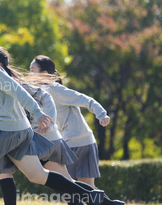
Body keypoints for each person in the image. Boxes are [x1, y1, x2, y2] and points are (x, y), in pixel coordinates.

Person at [0, 30, 104, 205]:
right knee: (38, 176)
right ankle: (94, 197)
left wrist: (37, 113)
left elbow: (16, 89)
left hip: (7, 129)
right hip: (16, 130)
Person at [29, 55, 125, 205]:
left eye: (32, 70)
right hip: (82, 141)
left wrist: (102, 114)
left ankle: (109, 204)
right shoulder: (39, 92)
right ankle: (110, 204)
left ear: (45, 74)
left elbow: (86, 99)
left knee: (68, 187)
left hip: (76, 143)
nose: (29, 74)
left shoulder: (54, 89)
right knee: (84, 189)